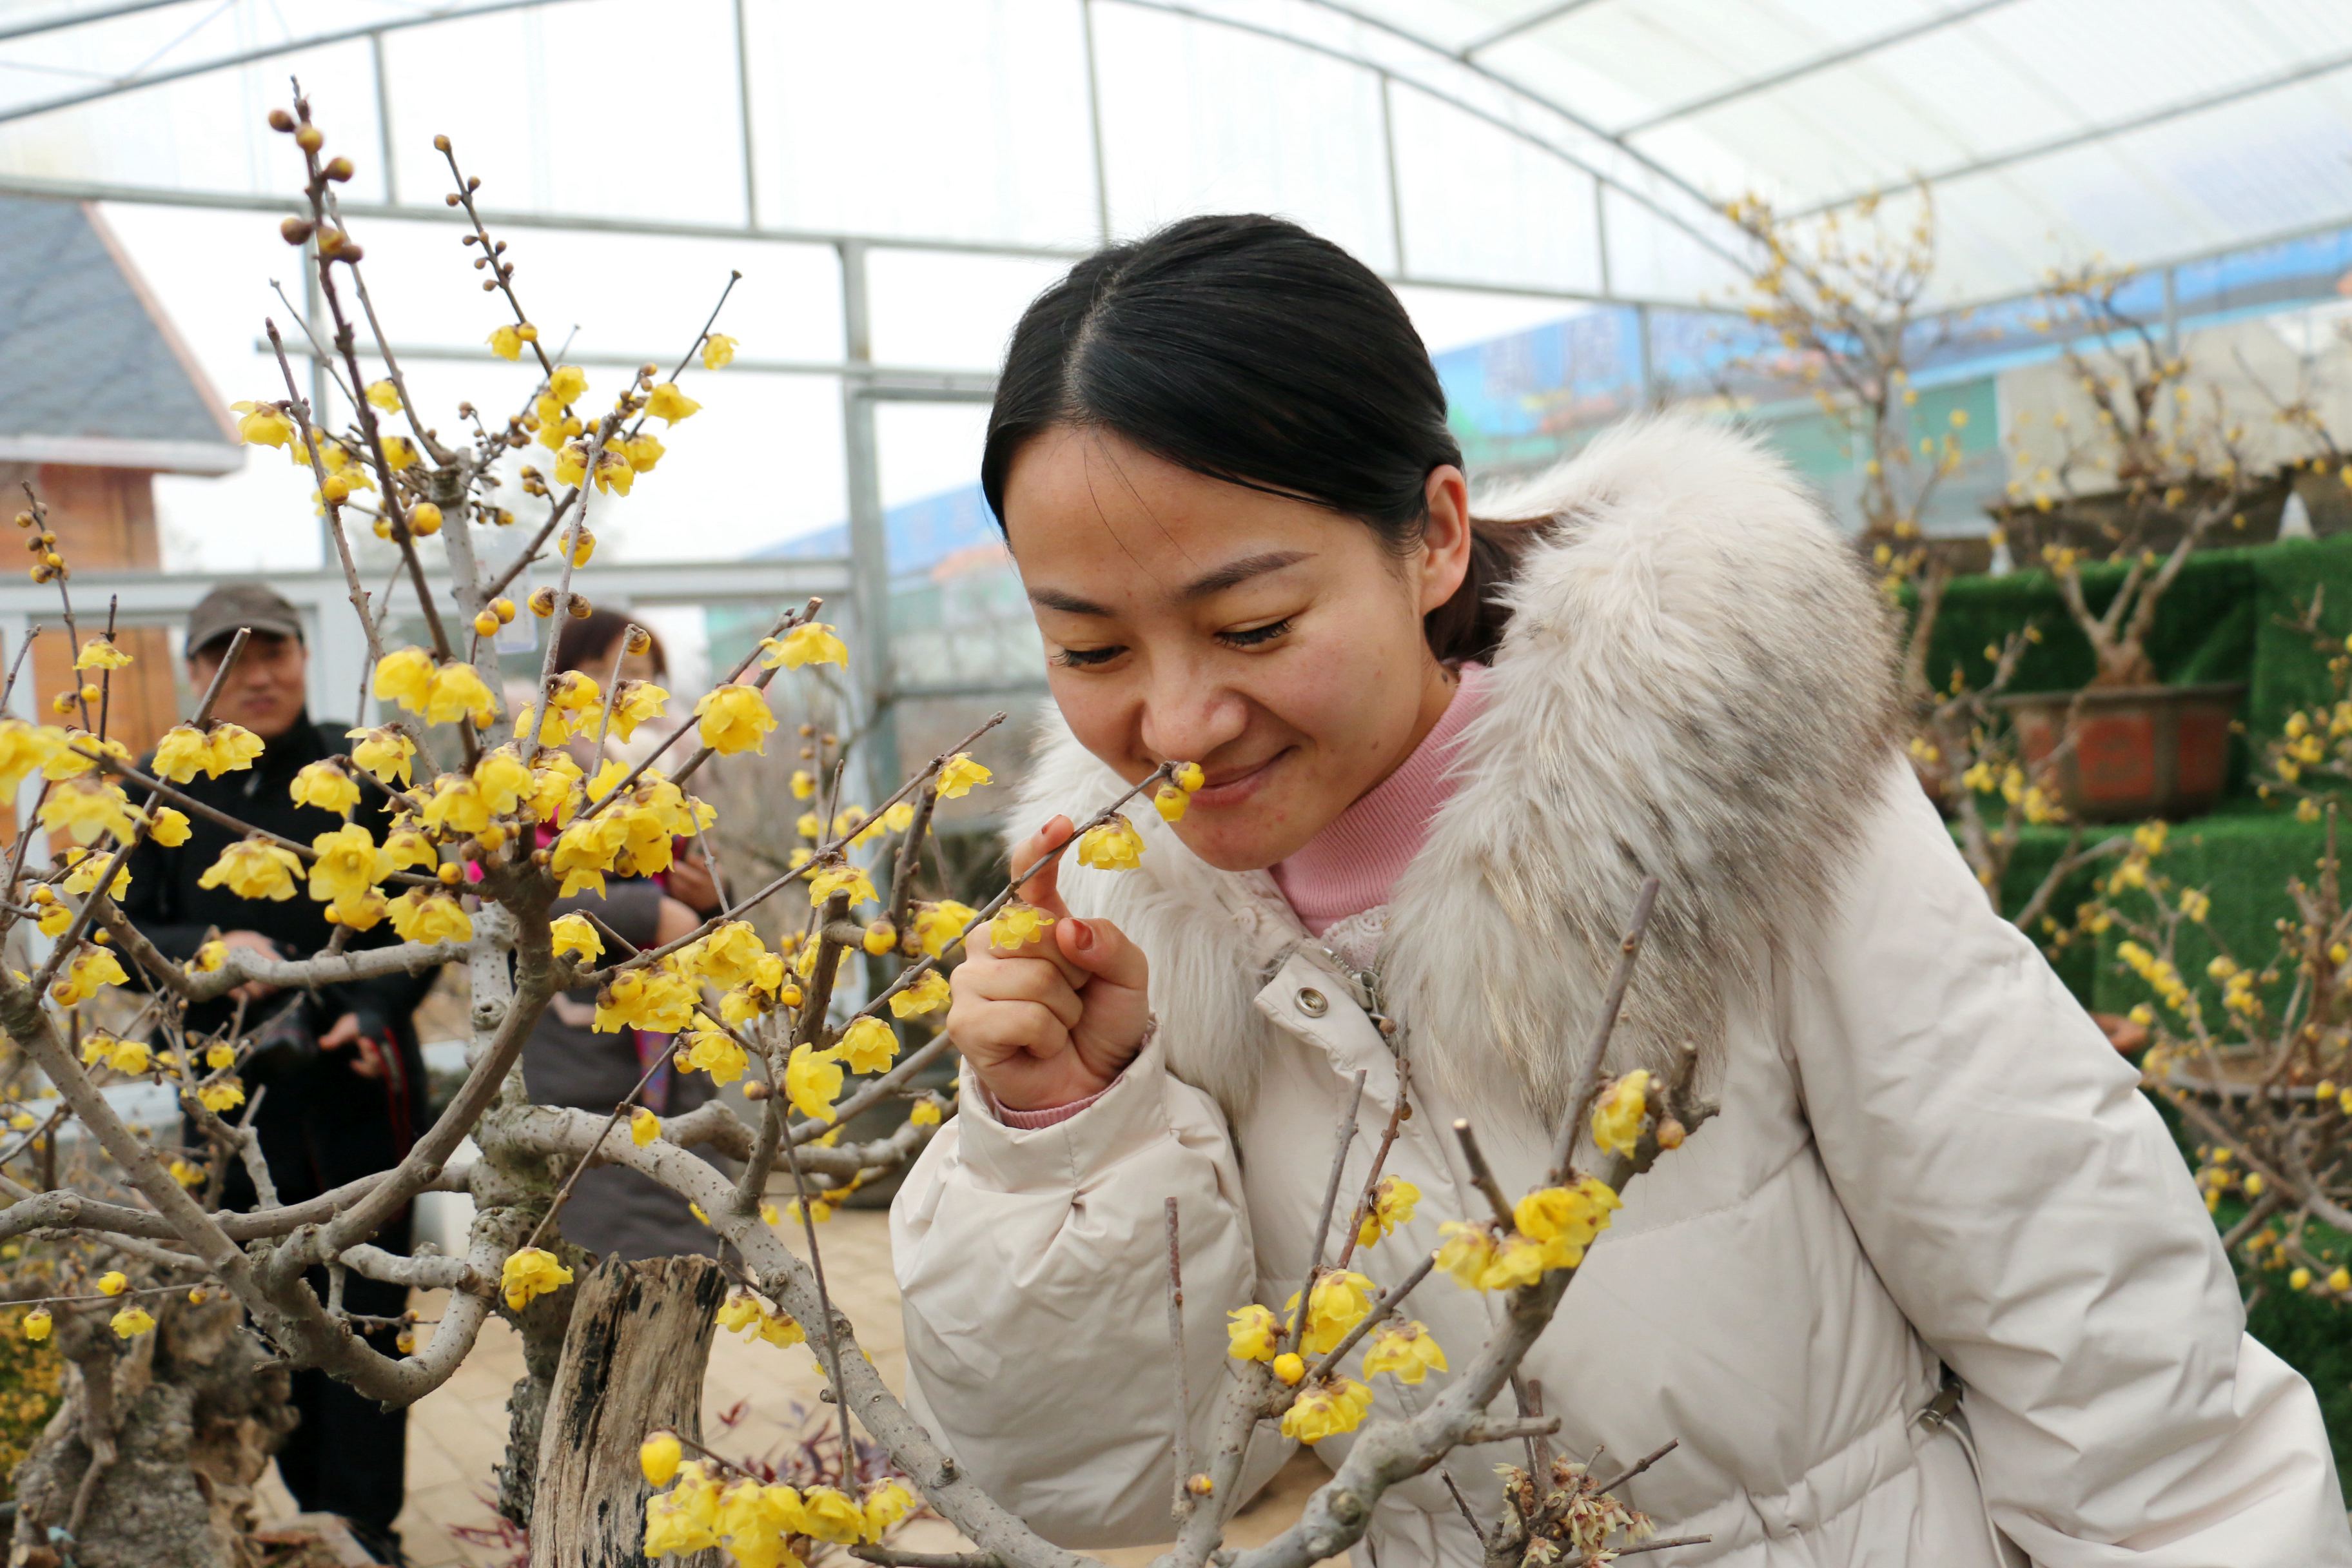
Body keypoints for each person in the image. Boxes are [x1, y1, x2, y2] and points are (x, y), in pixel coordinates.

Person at [891, 216, 2352, 1565]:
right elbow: (1107, 1476)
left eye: (1255, 624)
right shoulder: (1130, 930)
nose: (1176, 722)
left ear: (1436, 537)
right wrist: (1068, 1134)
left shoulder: (1713, 796)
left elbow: (2108, 1354)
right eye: (1090, 652)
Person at [119, 583, 438, 1563]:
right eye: (233, 658)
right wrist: (216, 941)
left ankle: (369, 1526)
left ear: (305, 657)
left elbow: (422, 915)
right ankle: (310, 1510)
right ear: (195, 673)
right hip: (231, 1093)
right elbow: (124, 934)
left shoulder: (363, 770)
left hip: (358, 1080)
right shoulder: (160, 784)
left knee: (372, 1312)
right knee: (267, 1308)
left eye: (278, 653)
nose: (259, 676)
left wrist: (371, 1010)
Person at [516, 609, 728, 1260]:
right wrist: (643, 914)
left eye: (639, 675)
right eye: (604, 673)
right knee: (610, 1245)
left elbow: (705, 916)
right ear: (562, 681)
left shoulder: (667, 780)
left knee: (686, 1246)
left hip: (671, 1039)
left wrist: (713, 900)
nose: (622, 691)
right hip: (581, 1050)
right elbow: (505, 895)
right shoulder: (532, 771)